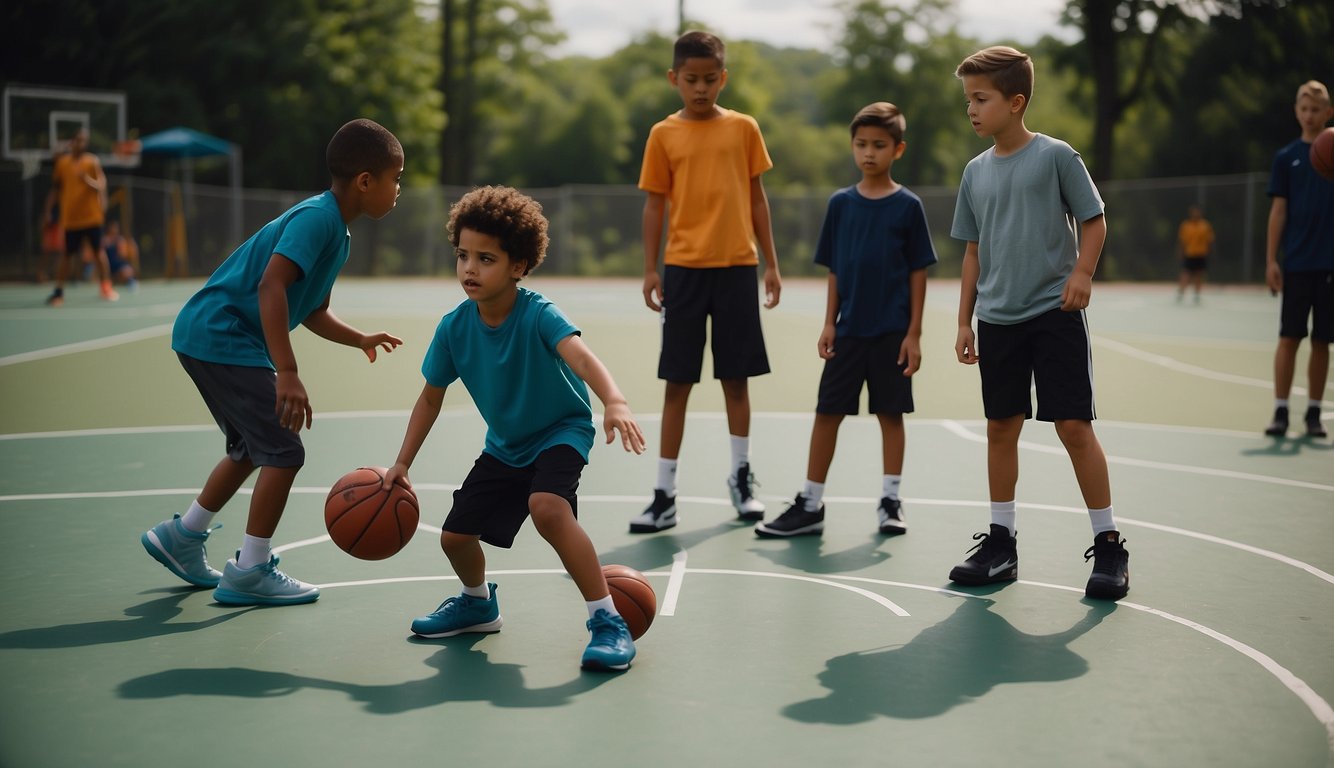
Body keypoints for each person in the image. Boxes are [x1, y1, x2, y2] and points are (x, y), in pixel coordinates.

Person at [382, 186, 648, 671]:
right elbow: (429, 396)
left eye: (486, 258)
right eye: (462, 255)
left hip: (561, 431)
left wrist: (615, 400)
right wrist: (402, 462)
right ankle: (478, 603)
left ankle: (608, 619)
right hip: (505, 446)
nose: (469, 269)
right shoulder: (453, 328)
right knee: (455, 537)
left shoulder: (539, 314)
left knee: (547, 507)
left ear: (518, 266)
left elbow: (582, 357)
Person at [141, 118, 405, 605]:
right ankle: (250, 569)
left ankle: (182, 537)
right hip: (223, 334)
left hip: (210, 334)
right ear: (366, 181)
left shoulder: (336, 232)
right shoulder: (318, 219)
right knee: (284, 450)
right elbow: (271, 286)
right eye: (396, 178)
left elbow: (312, 310)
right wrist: (287, 372)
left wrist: (358, 338)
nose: (398, 190)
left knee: (249, 446)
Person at [948, 46, 1129, 601]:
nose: (972, 110)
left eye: (981, 99)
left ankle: (1109, 546)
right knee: (1001, 427)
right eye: (968, 100)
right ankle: (1001, 543)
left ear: (1016, 101)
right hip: (997, 319)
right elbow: (973, 252)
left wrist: (1082, 272)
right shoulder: (975, 172)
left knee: (1074, 427)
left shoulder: (1056, 157)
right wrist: (964, 321)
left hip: (1054, 313)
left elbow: (1094, 220)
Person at [754, 102, 936, 539]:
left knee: (891, 415)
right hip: (849, 330)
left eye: (879, 145)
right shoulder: (841, 204)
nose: (869, 153)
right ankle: (811, 503)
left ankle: (891, 500)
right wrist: (829, 322)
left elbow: (918, 272)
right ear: (852, 147)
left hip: (892, 332)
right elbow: (835, 269)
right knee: (827, 413)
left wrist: (914, 333)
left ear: (898, 149)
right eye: (861, 144)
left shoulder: (909, 206)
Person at [630, 29, 782, 534]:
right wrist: (652, 267)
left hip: (738, 268)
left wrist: (772, 264)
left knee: (735, 382)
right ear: (674, 78)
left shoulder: (744, 128)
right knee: (678, 383)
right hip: (684, 273)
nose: (700, 88)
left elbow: (758, 198)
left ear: (724, 77)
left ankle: (741, 481)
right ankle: (664, 494)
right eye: (691, 80)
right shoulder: (662, 135)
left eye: (710, 79)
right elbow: (655, 204)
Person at [1262, 80, 1333, 440]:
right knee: (1289, 337)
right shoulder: (1286, 157)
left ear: (1328, 113)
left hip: (1329, 265)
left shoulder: (1331, 151)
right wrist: (1271, 260)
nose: (1309, 115)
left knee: (1322, 341)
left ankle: (1314, 414)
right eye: (1304, 109)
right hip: (1297, 263)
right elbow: (1278, 211)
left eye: (1316, 109)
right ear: (1296, 111)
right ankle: (1280, 409)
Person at [43, 130, 117, 305]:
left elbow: (101, 185)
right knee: (67, 255)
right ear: (73, 142)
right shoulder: (63, 163)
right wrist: (48, 210)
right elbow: (56, 189)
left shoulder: (92, 162)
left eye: (83, 141)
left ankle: (106, 287)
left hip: (92, 218)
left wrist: (87, 180)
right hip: (71, 219)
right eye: (77, 140)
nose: (80, 144)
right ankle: (58, 291)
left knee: (99, 252)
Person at [1175, 204, 1214, 303]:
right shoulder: (1186, 225)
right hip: (1190, 253)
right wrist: (1180, 252)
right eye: (1193, 212)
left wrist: (1209, 252)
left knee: (1198, 274)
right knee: (1185, 273)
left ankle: (1197, 294)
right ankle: (1181, 293)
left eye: (1197, 211)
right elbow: (1182, 241)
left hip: (1201, 254)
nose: (1195, 214)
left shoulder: (1205, 225)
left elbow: (1209, 240)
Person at [101, 219, 139, 289]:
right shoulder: (104, 240)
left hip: (119, 264)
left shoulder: (120, 240)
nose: (114, 229)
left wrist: (123, 247)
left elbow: (123, 255)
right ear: (109, 228)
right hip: (109, 265)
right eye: (113, 227)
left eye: (116, 228)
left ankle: (130, 281)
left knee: (127, 271)